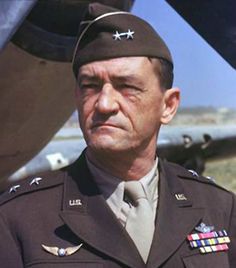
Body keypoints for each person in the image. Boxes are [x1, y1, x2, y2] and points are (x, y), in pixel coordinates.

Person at [0, 3, 235, 268]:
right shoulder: (17, 218)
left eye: (127, 87)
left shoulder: (220, 208)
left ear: (168, 106)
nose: (104, 104)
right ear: (76, 98)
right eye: (90, 86)